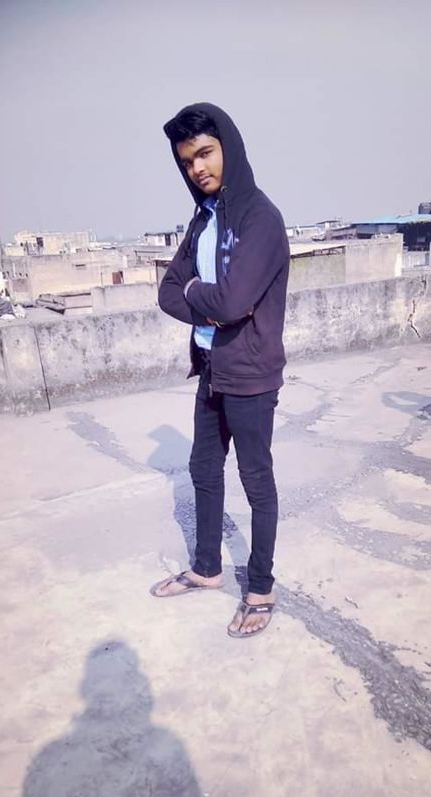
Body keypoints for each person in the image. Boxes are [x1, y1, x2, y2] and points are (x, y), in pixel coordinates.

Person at [151, 103, 289, 638]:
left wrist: (202, 295)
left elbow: (233, 302)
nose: (198, 168)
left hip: (251, 374)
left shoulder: (260, 218)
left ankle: (261, 588)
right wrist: (208, 303)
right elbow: (168, 292)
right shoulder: (203, 219)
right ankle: (207, 568)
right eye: (187, 161)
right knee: (203, 468)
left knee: (256, 481)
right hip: (211, 366)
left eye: (205, 153)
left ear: (228, 146)